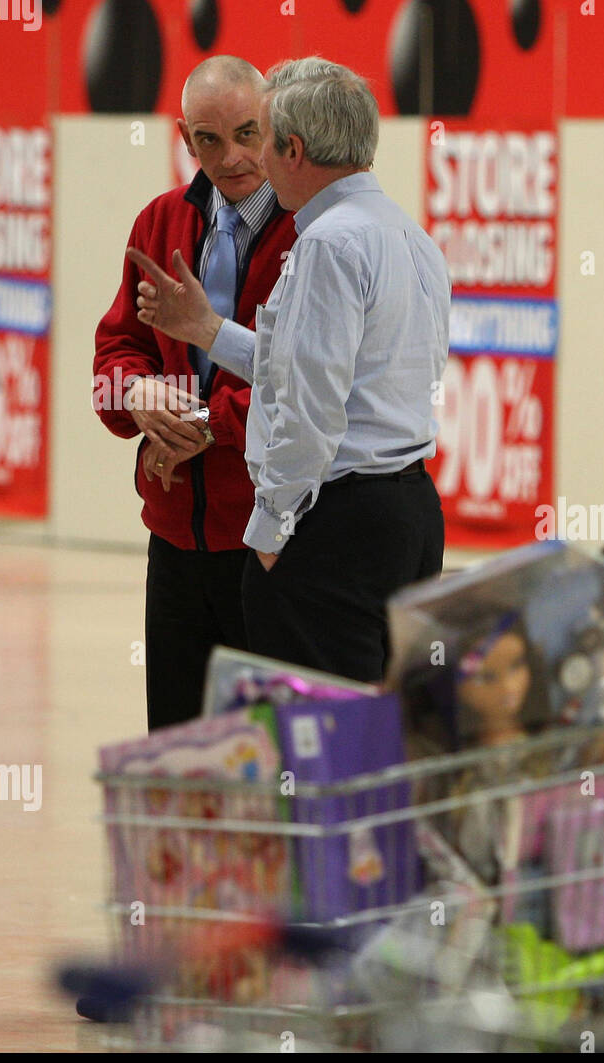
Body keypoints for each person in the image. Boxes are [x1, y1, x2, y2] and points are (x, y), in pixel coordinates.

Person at [127, 57, 449, 684]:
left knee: (316, 741)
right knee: (375, 726)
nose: (251, 162)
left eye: (260, 138)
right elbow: (315, 370)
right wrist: (208, 331)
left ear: (293, 149)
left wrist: (269, 530)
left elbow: (310, 407)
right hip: (408, 512)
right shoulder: (408, 235)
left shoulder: (328, 244)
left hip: (338, 521)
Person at [93, 56, 295, 730]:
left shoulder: (310, 235)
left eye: (247, 133)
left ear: (274, 123)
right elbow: (114, 351)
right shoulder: (160, 222)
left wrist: (211, 422)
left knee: (270, 758)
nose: (232, 157)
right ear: (185, 139)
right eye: (209, 140)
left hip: (269, 543)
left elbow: (309, 385)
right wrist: (137, 393)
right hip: (175, 539)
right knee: (178, 751)